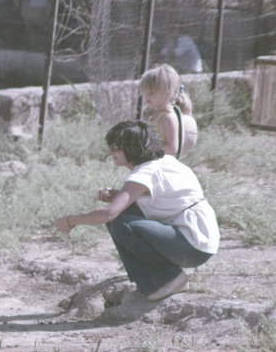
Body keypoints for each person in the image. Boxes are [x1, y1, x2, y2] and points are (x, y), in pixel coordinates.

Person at [54, 120, 219, 302]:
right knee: (125, 216)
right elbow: (167, 200)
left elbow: (109, 214)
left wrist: (69, 221)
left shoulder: (144, 174)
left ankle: (166, 279)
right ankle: (157, 279)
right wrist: (119, 195)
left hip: (191, 246)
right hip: (201, 242)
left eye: (116, 147)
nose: (110, 152)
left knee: (119, 222)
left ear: (131, 147)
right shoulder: (165, 161)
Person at [140, 64, 198, 159]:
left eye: (152, 93)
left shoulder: (168, 118)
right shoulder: (156, 113)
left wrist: (147, 149)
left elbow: (172, 148)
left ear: (167, 93)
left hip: (164, 161)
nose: (147, 97)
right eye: (145, 92)